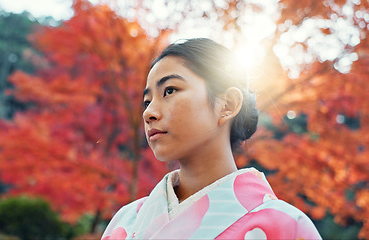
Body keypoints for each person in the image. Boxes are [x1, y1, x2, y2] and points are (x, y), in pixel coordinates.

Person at [101, 38, 321, 239]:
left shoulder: (286, 227)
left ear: (227, 105)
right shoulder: (125, 222)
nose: (148, 113)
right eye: (147, 102)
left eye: (169, 90)